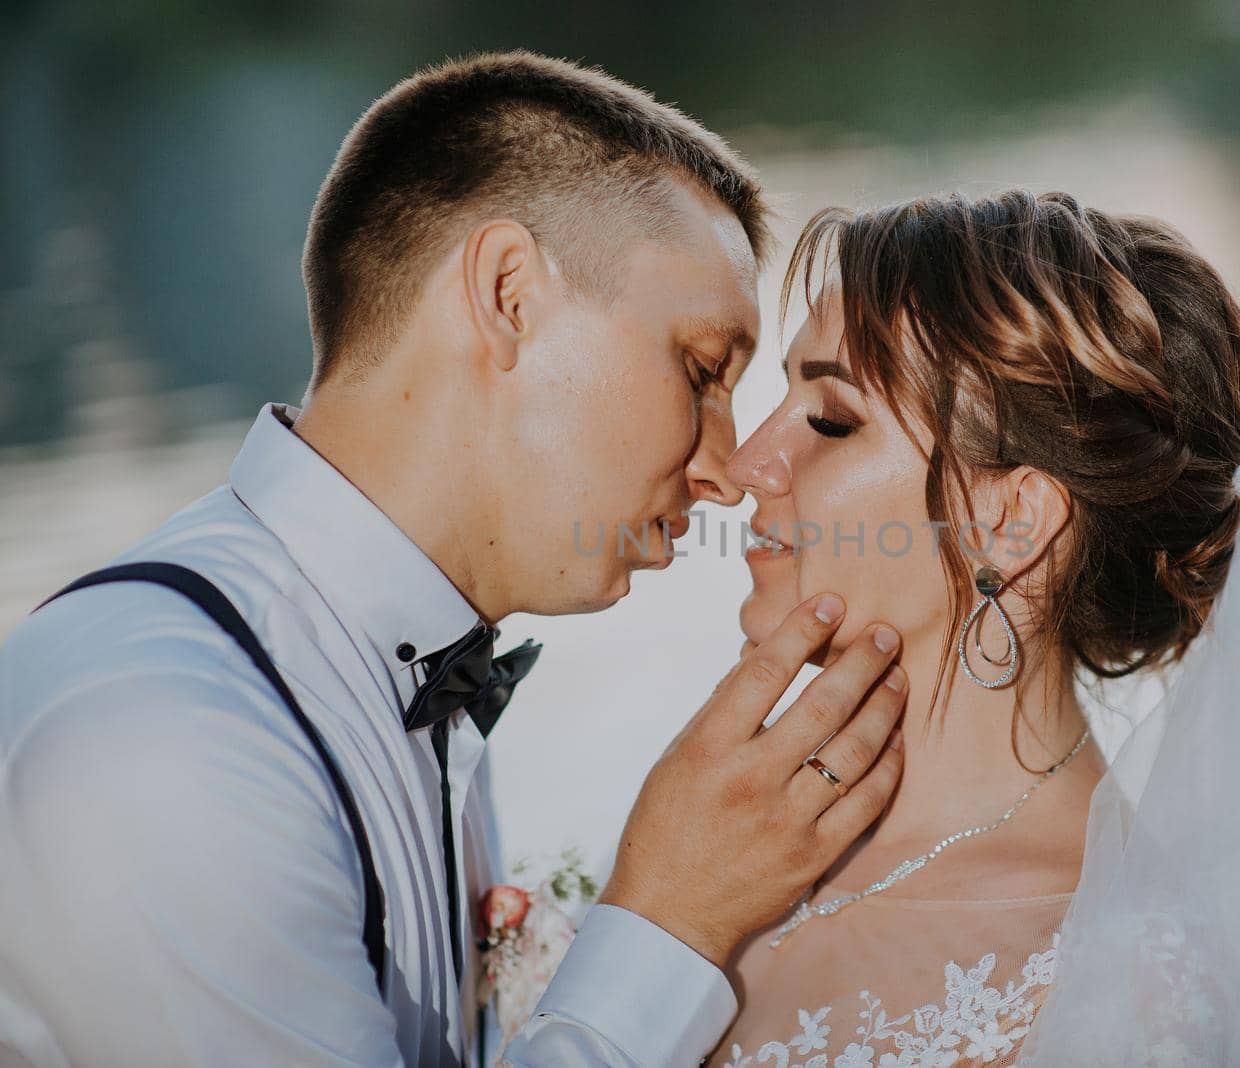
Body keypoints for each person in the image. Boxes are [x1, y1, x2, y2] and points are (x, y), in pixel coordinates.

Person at [0, 52, 910, 1068]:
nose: (729, 468)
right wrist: (666, 924)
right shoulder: (161, 738)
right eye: (701, 370)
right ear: (509, 294)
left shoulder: (401, 660)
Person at [711, 191, 1240, 1065]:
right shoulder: (709, 847)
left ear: (1013, 520)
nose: (746, 464)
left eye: (831, 419)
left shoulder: (1123, 978)